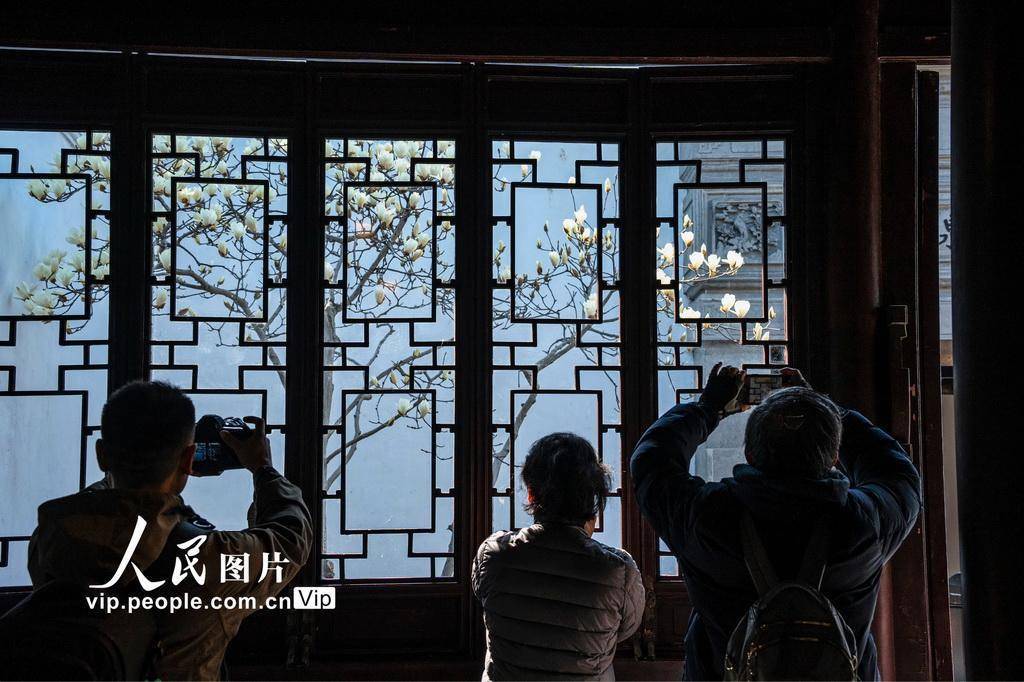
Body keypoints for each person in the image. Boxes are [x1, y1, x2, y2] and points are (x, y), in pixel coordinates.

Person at [631, 364, 921, 681]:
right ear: (834, 457)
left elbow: (652, 460)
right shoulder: (863, 523)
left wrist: (708, 408)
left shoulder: (708, 518)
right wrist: (826, 409)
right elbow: (899, 475)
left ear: (749, 454)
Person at [25, 380, 313, 680]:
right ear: (189, 459)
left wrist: (132, 468)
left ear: (101, 454)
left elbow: (106, 509)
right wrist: (263, 468)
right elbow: (291, 539)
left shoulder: (52, 539)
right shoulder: (207, 561)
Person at [472, 433, 645, 681]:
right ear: (593, 497)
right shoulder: (618, 570)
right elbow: (625, 628)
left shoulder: (493, 555)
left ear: (531, 493)